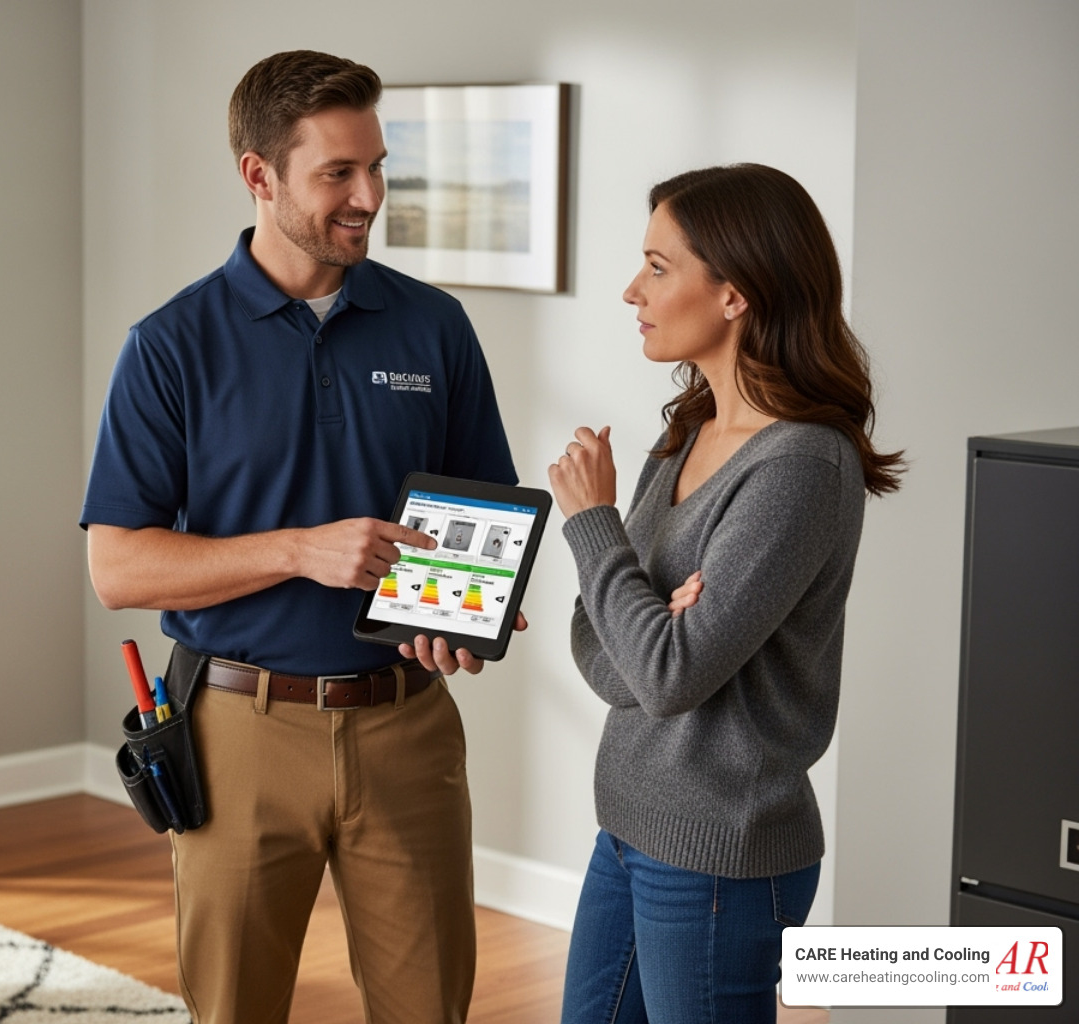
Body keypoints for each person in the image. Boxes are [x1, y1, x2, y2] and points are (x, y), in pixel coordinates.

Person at [81, 50, 519, 1024]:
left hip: (409, 727)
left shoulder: (434, 328)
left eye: (377, 166)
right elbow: (117, 566)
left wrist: (466, 613)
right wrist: (295, 548)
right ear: (259, 175)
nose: (369, 196)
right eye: (338, 174)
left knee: (428, 1008)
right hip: (240, 732)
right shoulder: (170, 346)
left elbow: (482, 520)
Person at [547, 163, 905, 1024]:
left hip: (723, 856)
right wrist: (652, 620)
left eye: (658, 267)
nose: (633, 289)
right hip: (628, 830)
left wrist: (595, 524)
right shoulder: (687, 431)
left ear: (735, 293)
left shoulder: (801, 466)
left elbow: (668, 676)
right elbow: (603, 647)